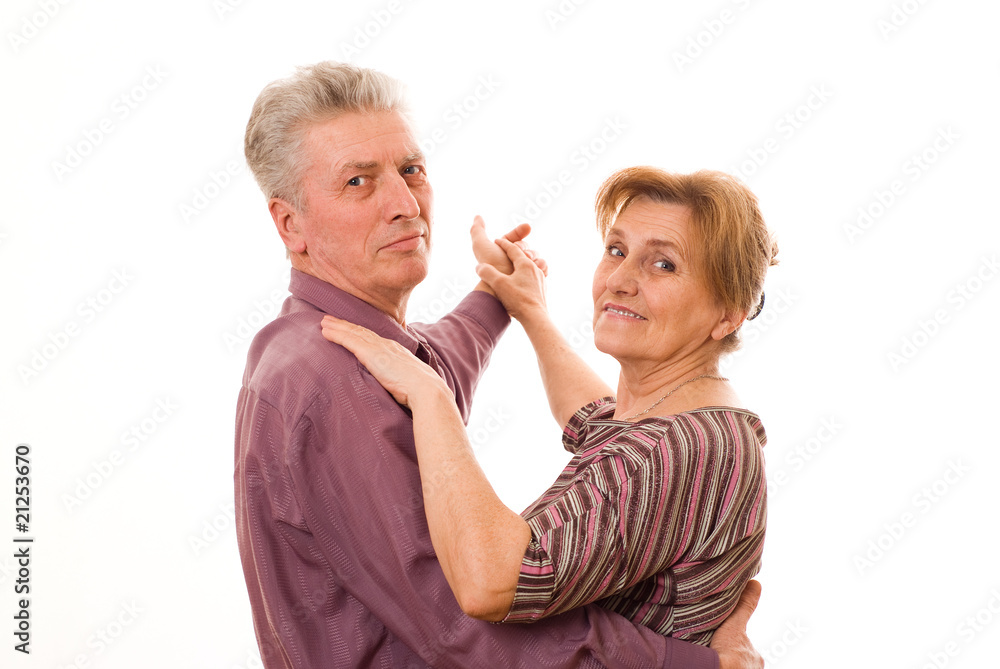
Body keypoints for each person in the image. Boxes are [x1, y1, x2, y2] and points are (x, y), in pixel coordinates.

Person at [235, 59, 764, 668]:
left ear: (729, 313)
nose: (405, 203)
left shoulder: (311, 346)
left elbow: (436, 368)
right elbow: (469, 618)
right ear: (289, 223)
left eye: (411, 171)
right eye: (359, 182)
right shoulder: (329, 378)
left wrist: (502, 303)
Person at [322, 166, 777, 645]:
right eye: (617, 250)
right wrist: (530, 310)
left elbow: (492, 583)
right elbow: (596, 418)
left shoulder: (677, 449)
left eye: (663, 264)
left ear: (728, 315)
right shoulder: (684, 417)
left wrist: (431, 396)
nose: (619, 280)